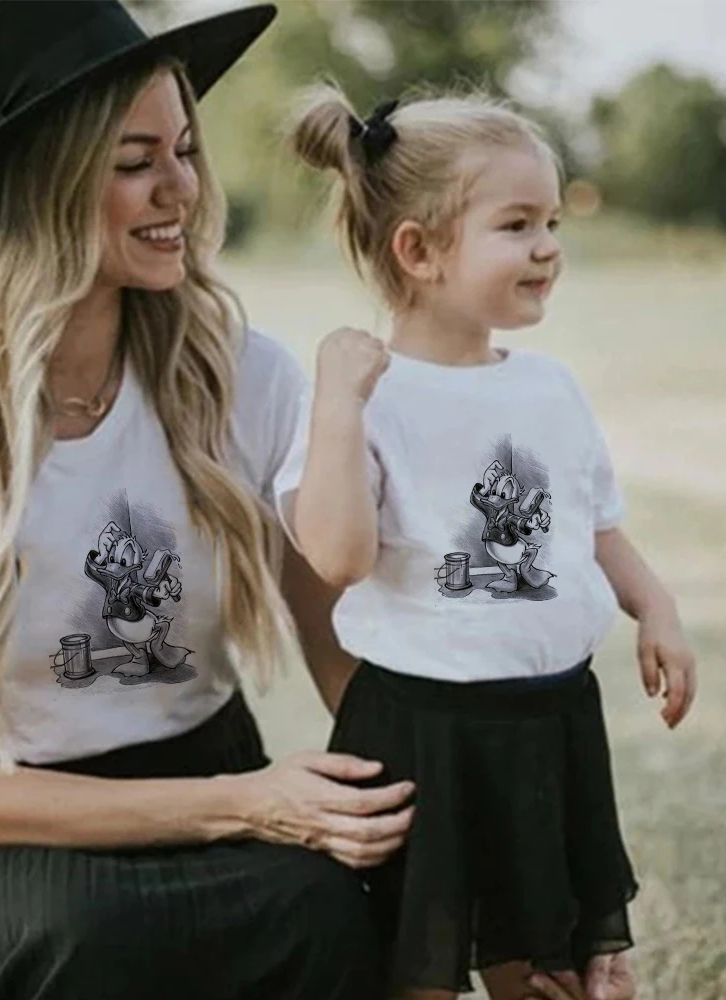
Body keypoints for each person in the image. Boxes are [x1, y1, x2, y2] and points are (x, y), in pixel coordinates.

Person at [0, 4, 417, 999]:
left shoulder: (244, 378)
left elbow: (346, 649)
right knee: (83, 939)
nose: (182, 187)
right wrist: (242, 806)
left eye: (185, 149)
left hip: (206, 762)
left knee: (339, 906)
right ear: (37, 187)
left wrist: (459, 810)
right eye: (135, 161)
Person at [276, 83, 698, 1000]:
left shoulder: (548, 388)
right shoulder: (366, 398)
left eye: (552, 222)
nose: (548, 245)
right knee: (418, 963)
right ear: (419, 250)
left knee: (540, 961)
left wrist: (657, 607)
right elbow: (338, 557)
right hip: (424, 735)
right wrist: (340, 405)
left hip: (548, 724)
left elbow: (595, 525)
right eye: (516, 225)